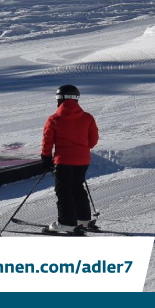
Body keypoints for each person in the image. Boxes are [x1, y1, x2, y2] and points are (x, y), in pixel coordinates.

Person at [41, 84, 100, 234]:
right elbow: (92, 141)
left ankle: (66, 223)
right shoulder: (87, 118)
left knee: (64, 191)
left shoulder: (54, 119)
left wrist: (46, 158)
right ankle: (83, 219)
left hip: (63, 162)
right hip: (83, 161)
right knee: (77, 188)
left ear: (59, 99)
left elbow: (47, 141)